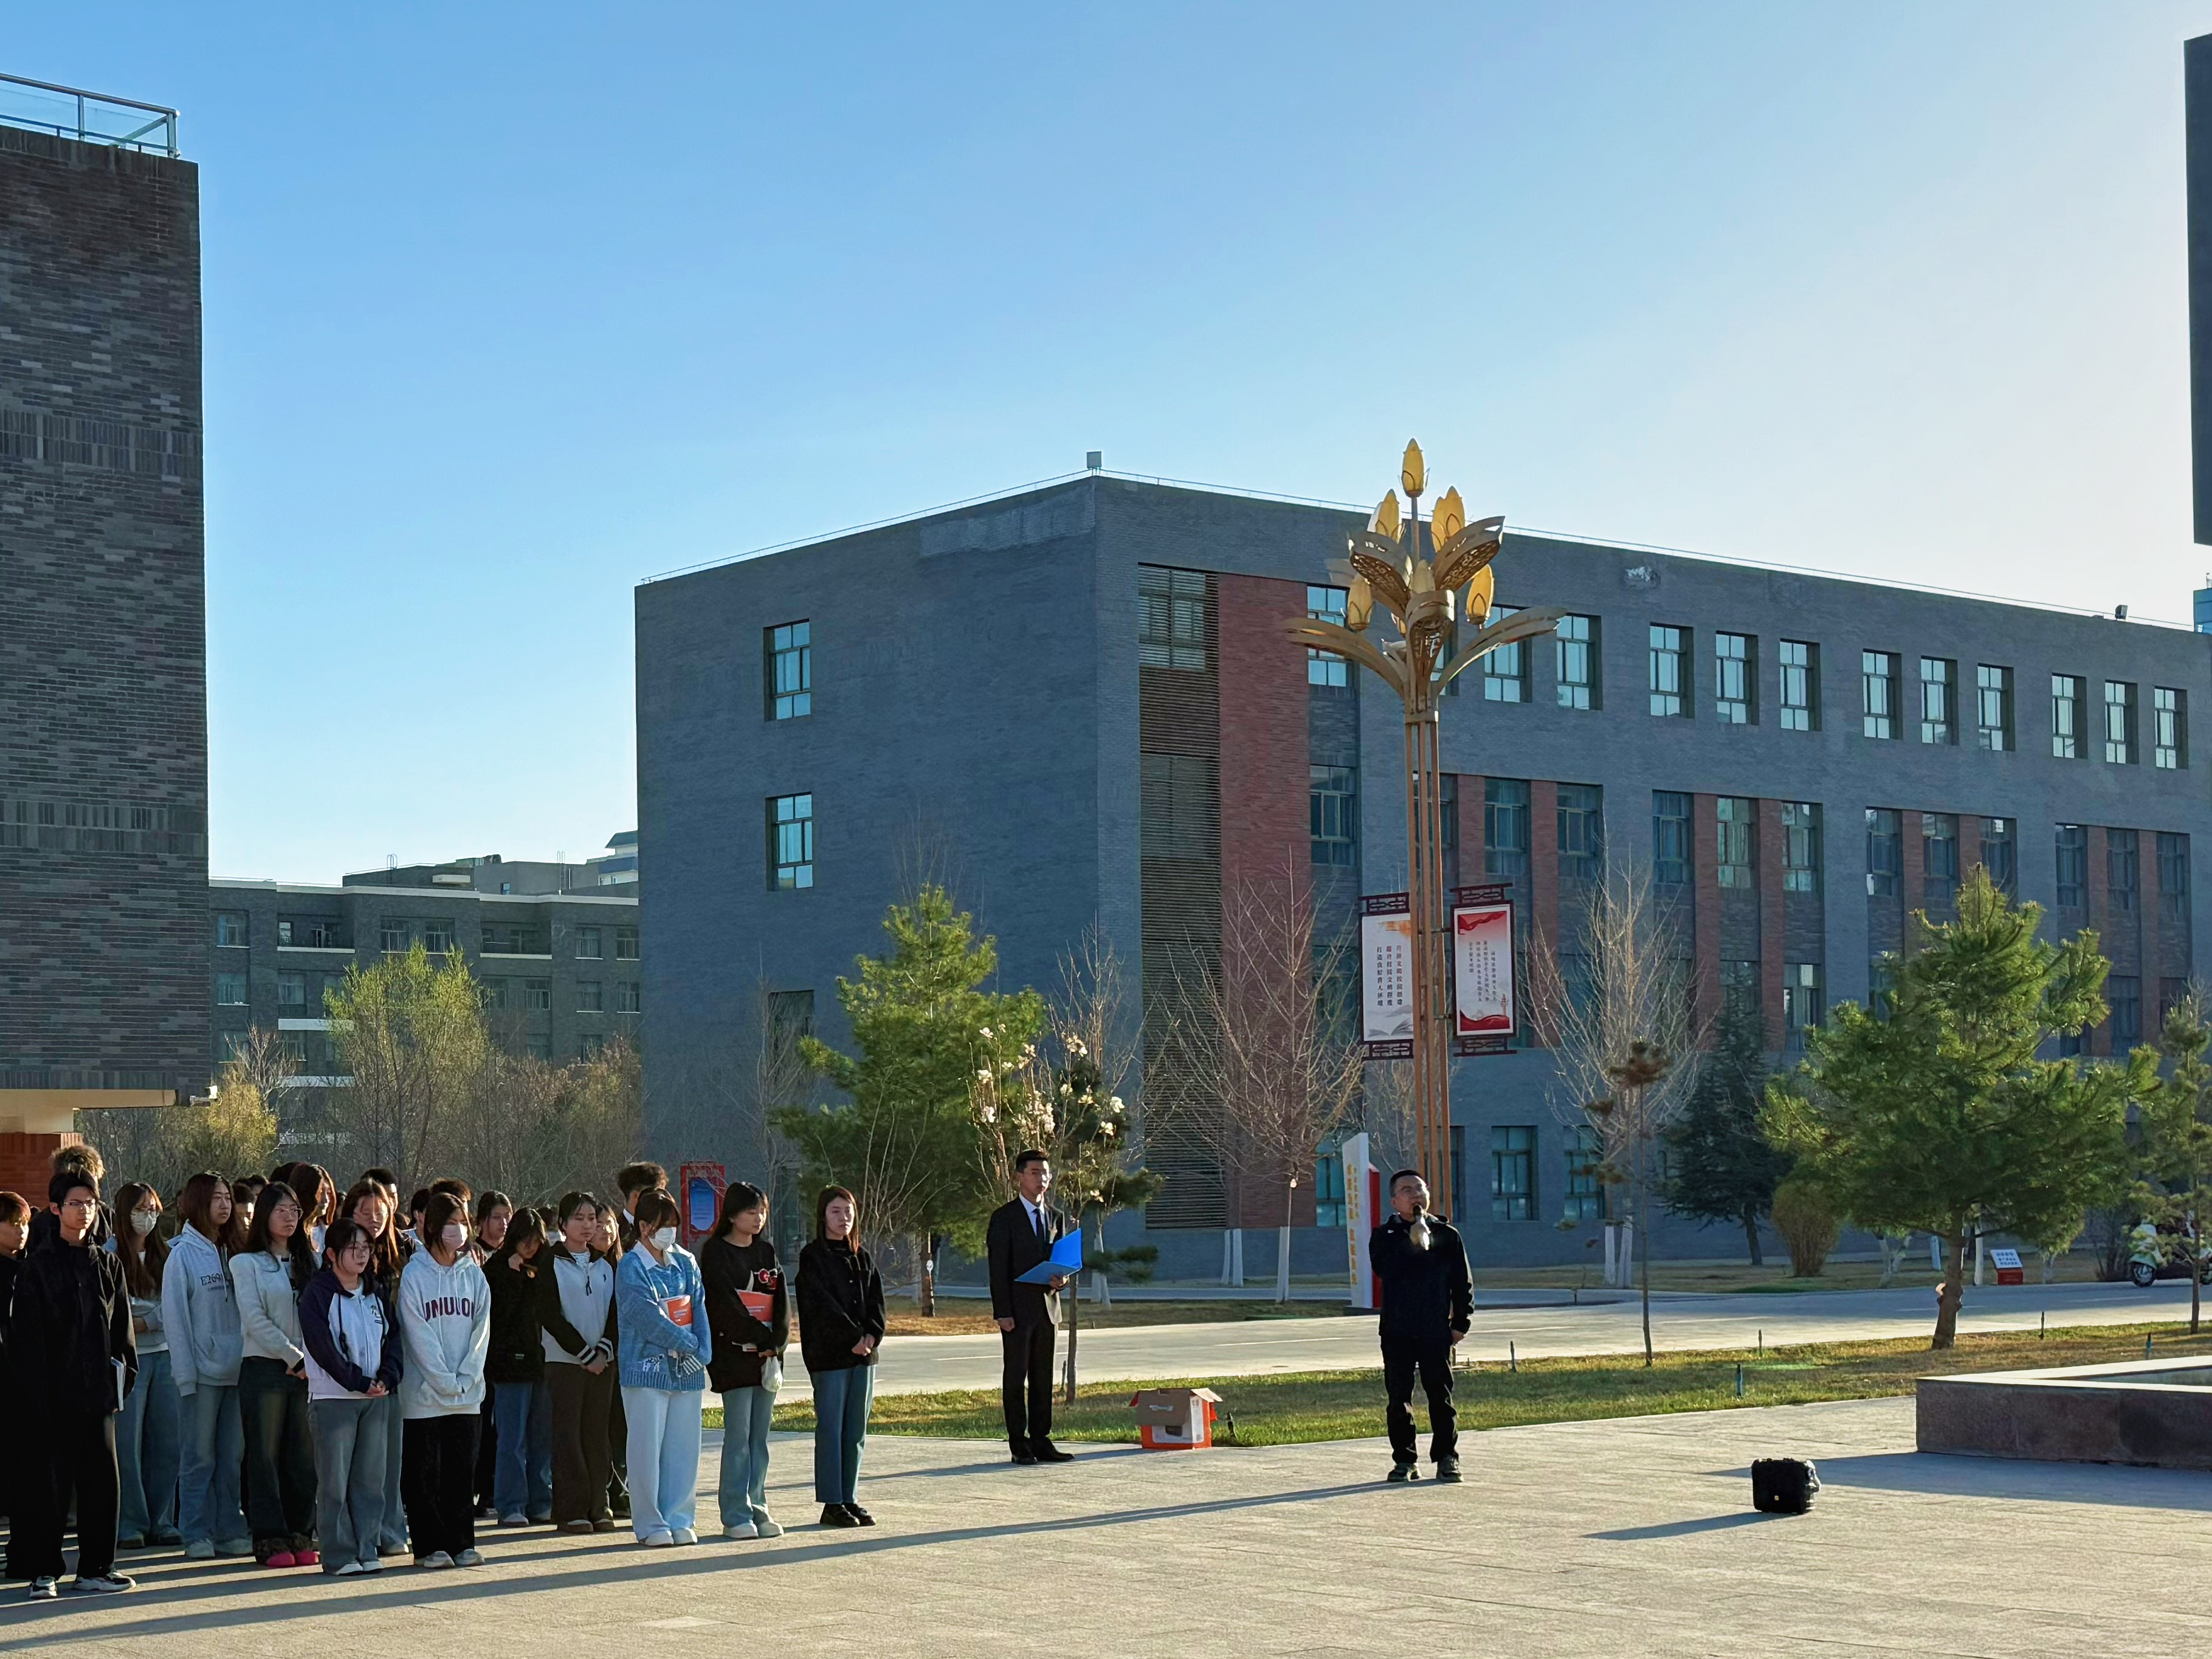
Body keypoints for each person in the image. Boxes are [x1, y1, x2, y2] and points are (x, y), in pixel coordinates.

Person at [10, 1168, 137, 1597]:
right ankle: (44, 1571)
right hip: (52, 1399)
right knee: (50, 1486)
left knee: (102, 1484)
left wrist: (120, 1381)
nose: (84, 1211)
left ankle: (97, 1568)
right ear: (56, 1209)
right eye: (75, 1203)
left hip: (98, 1395)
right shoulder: (37, 1267)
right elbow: (27, 1340)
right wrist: (37, 1395)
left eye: (90, 1203)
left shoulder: (108, 1264)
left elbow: (122, 1332)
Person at [300, 1218, 403, 1576]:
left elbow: (393, 1338)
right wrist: (356, 1381)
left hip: (374, 1398)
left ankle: (367, 1547)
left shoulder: (375, 1292)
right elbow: (322, 1347)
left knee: (370, 1480)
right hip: (333, 1399)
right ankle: (339, 1554)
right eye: (353, 1248)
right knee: (335, 1483)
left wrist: (388, 1377)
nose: (362, 1255)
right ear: (331, 1254)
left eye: (366, 1248)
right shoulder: (317, 1294)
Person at [398, 1190, 491, 1568]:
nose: (459, 1230)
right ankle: (428, 1546)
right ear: (434, 1226)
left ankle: (462, 1542)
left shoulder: (475, 1275)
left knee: (460, 1474)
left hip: (467, 1395)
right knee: (425, 1474)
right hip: (425, 1396)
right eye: (451, 1223)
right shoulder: (414, 1275)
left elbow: (482, 1330)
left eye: (463, 1223)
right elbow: (417, 1333)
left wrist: (466, 1376)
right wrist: (442, 1379)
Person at [615, 1188, 709, 1546]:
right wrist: (689, 1343)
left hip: (687, 1370)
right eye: (662, 1224)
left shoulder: (686, 1261)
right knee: (647, 1449)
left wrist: (703, 1349)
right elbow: (646, 1317)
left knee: (683, 1449)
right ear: (643, 1226)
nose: (669, 1231)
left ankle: (680, 1517)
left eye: (673, 1224)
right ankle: (651, 1523)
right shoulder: (631, 1266)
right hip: (646, 1369)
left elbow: (699, 1305)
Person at [233, 1179, 320, 1567]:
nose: (289, 1218)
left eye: (295, 1211)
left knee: (302, 1457)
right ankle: (270, 1539)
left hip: (308, 1372)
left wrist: (311, 1360)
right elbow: (255, 1320)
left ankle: (302, 1533)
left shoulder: (309, 1261)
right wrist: (293, 1357)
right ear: (264, 1215)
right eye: (280, 1210)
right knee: (264, 1457)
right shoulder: (246, 1263)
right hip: (265, 1368)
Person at [164, 1171, 250, 1557]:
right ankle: (195, 1532)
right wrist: (186, 1376)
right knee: (199, 1458)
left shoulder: (238, 1250)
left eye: (228, 1197)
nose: (225, 1205)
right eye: (216, 1198)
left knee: (231, 1458)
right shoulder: (182, 1255)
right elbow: (176, 1320)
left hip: (238, 1371)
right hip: (201, 1375)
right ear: (199, 1202)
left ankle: (229, 1529)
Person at [1370, 1170, 1472, 1484]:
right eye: (1407, 1190)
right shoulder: (1384, 1236)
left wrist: (1460, 1323)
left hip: (1435, 1329)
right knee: (1398, 1399)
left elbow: (1462, 1282)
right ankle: (1405, 1461)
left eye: (1420, 1188)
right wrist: (1411, 1241)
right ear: (1394, 1201)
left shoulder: (1447, 1234)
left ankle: (1447, 1457)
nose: (1416, 1194)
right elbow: (1385, 1270)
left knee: (1440, 1397)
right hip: (1397, 1330)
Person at [701, 1180, 788, 1540]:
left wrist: (777, 1342)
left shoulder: (766, 1252)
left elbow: (781, 1302)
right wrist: (758, 1336)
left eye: (762, 1212)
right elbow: (723, 1305)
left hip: (767, 1359)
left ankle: (759, 1506)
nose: (758, 1218)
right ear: (733, 1214)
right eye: (752, 1212)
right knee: (738, 1436)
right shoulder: (715, 1252)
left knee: (760, 1439)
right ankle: (735, 1513)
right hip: (734, 1356)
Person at [796, 1185, 884, 1528]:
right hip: (831, 1357)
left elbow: (876, 1302)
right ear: (823, 1215)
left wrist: (872, 1335)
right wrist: (852, 1338)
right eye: (836, 1211)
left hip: (864, 1357)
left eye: (848, 1211)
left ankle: (850, 1496)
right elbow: (821, 1306)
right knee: (831, 1429)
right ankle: (832, 1502)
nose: (843, 1218)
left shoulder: (862, 1256)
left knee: (855, 1430)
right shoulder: (813, 1257)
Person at [986, 1150, 1074, 1466]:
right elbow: (998, 1268)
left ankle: (1041, 1439)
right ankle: (1018, 1442)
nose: (1043, 1179)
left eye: (1046, 1173)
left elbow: (1061, 1260)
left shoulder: (1055, 1216)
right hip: (1017, 1311)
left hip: (1048, 1308)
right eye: (1035, 1172)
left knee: (1042, 1377)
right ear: (1019, 1177)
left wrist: (1062, 1279)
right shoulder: (1004, 1218)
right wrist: (1003, 1312)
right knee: (1016, 1377)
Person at [110, 1182, 182, 1551]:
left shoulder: (167, 1254)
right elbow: (116, 1313)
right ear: (124, 1213)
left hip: (167, 1355)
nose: (148, 1216)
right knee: (128, 1444)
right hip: (127, 1360)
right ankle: (131, 1523)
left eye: (153, 1209)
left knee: (168, 1442)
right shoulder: (108, 1255)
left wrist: (146, 1319)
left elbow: (175, 1307)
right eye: (140, 1209)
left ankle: (162, 1520)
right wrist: (141, 1319)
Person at [540, 1192, 617, 1534]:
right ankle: (571, 1510)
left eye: (592, 1219)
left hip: (602, 1364)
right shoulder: (551, 1262)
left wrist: (602, 1351)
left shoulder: (605, 1265)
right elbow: (550, 1316)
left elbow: (616, 1313)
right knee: (568, 1436)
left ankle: (598, 1506)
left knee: (597, 1435)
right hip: (565, 1363)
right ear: (563, 1224)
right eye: (579, 1218)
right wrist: (584, 1353)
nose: (587, 1226)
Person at [342, 1179, 409, 1558]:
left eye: (379, 1210)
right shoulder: (339, 1259)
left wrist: (391, 1371)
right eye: (364, 1211)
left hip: (392, 1372)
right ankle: (359, 1532)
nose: (373, 1218)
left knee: (390, 1461)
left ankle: (391, 1528)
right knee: (358, 1465)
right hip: (351, 1376)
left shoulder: (403, 1255)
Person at [486, 1206, 553, 1526]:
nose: (530, 1246)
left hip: (541, 1362)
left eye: (536, 1240)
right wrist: (514, 1276)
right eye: (525, 1239)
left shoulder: (546, 1266)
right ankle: (511, 1504)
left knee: (541, 1438)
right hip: (509, 1365)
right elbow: (499, 1316)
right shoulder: (496, 1268)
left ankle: (541, 1500)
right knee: (511, 1439)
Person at [470, 1189, 512, 1517]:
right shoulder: (472, 1255)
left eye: (507, 1217)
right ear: (481, 1221)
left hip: (506, 1352)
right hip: (478, 1352)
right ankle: (478, 1487)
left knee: (502, 1427)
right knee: (481, 1425)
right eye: (496, 1217)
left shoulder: (515, 1255)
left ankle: (493, 1489)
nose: (503, 1224)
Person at [613, 1163, 666, 1250]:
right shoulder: (612, 1234)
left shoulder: (664, 1230)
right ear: (636, 1196)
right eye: (657, 1195)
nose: (662, 1200)